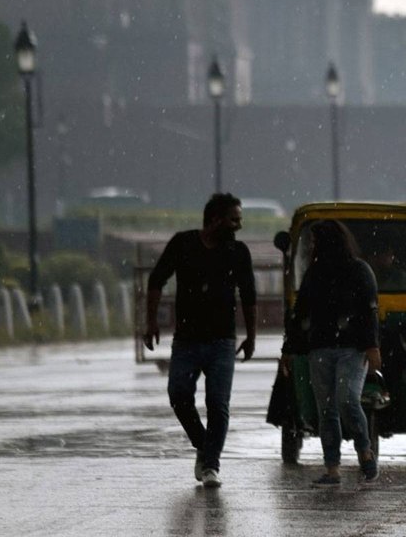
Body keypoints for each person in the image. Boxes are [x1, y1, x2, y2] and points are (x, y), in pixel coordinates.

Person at [143, 193, 257, 489]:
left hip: (222, 341)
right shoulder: (183, 244)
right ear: (215, 219)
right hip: (187, 340)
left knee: (218, 403)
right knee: (178, 395)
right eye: (234, 220)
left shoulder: (238, 251)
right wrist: (151, 321)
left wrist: (252, 335)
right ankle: (203, 445)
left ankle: (210, 465)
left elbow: (249, 295)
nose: (238, 226)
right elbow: (156, 280)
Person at [281, 220, 382, 486]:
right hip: (320, 348)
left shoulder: (359, 270)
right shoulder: (314, 273)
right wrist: (289, 349)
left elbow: (369, 310)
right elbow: (300, 314)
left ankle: (364, 449)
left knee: (347, 399)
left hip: (352, 348)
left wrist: (372, 347)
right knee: (326, 410)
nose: (312, 246)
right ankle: (332, 467)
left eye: (315, 241)